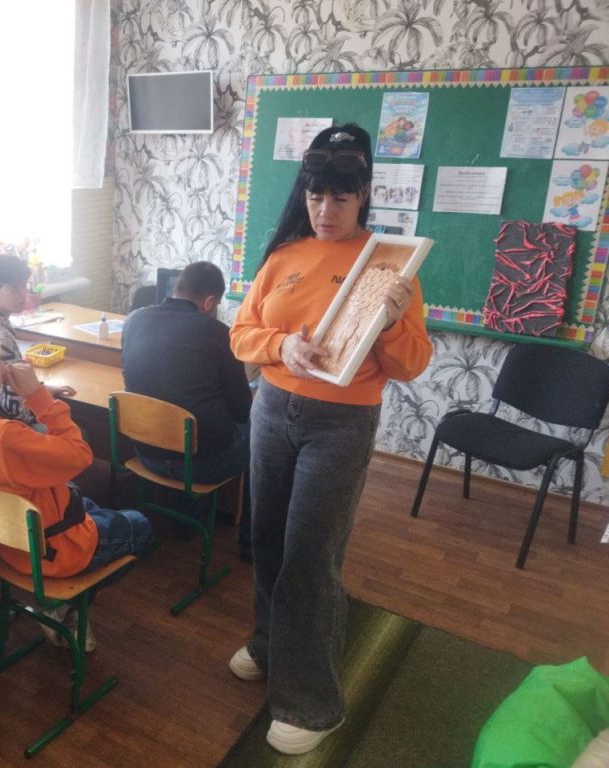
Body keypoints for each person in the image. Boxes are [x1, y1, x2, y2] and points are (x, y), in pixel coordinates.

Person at [228, 123, 433, 755]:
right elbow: (240, 334)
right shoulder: (284, 256)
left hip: (340, 424)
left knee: (310, 555)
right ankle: (270, 644)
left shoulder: (389, 264)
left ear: (363, 196)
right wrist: (281, 346)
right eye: (316, 196)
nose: (326, 210)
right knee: (266, 539)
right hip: (272, 409)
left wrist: (391, 322)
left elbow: (412, 364)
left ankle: (312, 703)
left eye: (340, 198)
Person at [0, 316, 152, 651]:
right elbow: (80, 455)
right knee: (140, 525)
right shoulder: (1, 438)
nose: (4, 368)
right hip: (50, 550)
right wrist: (38, 395)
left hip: (7, 541)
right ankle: (65, 605)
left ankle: (63, 600)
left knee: (91, 506)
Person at [121, 260, 253, 559]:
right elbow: (242, 409)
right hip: (202, 466)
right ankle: (250, 544)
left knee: (189, 425)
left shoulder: (134, 320)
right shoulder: (219, 333)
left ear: (176, 288)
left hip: (145, 452)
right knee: (259, 435)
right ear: (209, 302)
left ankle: (185, 517)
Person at [0, 252, 75, 425]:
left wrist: (41, 387)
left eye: (24, 285)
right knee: (77, 427)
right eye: (14, 288)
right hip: (3, 426)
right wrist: (42, 397)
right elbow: (17, 410)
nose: (23, 294)